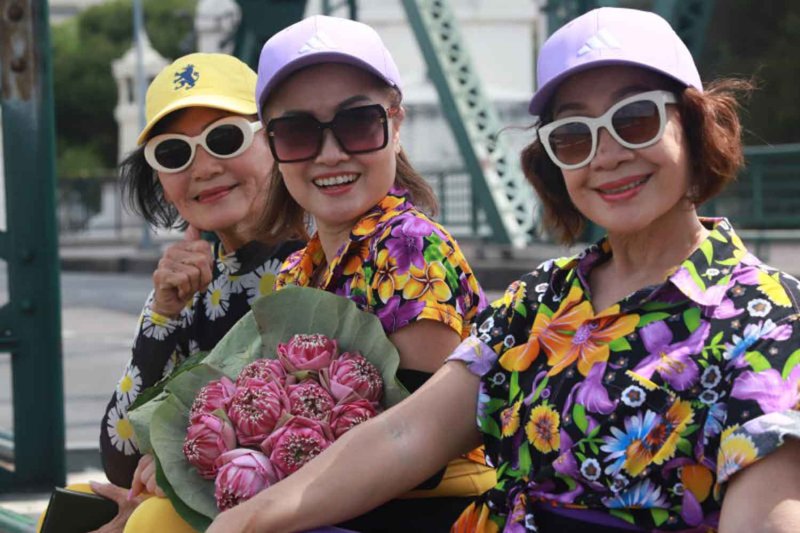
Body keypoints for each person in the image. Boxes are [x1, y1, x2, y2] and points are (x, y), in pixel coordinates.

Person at [207, 7, 800, 533]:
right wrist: (242, 523)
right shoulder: (540, 299)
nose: (608, 153)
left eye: (636, 119)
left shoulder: (765, 317)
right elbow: (404, 434)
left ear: (694, 127)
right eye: (573, 136)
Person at [256, 15, 495, 531]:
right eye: (298, 133)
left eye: (357, 123)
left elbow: (423, 451)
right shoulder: (298, 268)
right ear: (272, 147)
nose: (331, 154)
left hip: (422, 508)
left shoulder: (410, 246)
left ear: (396, 124)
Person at [88, 52, 303, 531]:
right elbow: (121, 457)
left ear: (273, 141)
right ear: (162, 182)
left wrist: (179, 469)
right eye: (174, 153)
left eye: (224, 139)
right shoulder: (186, 282)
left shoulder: (316, 260)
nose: (203, 168)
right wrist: (162, 315)